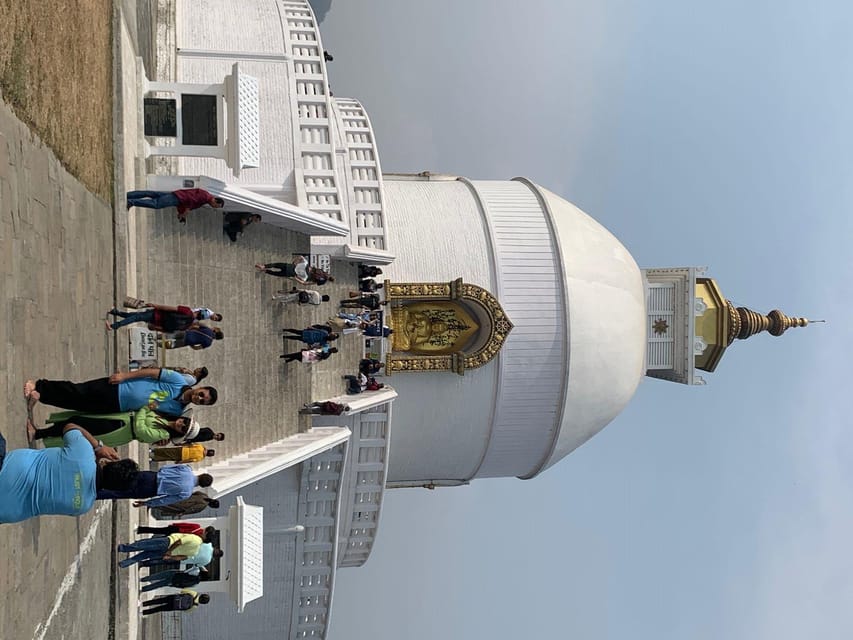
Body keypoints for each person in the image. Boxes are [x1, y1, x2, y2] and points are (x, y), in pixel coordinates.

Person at [0, 399, 134, 523]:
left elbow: (70, 427)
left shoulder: (84, 451)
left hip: (4, 470)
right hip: (6, 511)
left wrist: (98, 446)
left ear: (108, 462)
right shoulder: (83, 506)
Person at [24, 368, 218, 417]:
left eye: (203, 401)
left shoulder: (177, 411)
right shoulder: (177, 380)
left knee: (79, 405)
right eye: (202, 394)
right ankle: (39, 385)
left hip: (120, 406)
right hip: (118, 387)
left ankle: (42, 397)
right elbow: (151, 372)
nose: (199, 398)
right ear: (200, 388)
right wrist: (125, 376)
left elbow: (154, 413)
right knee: (78, 389)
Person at [30, 406, 192, 448]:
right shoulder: (163, 417)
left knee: (77, 425)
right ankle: (42, 432)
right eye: (184, 422)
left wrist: (143, 410)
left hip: (119, 430)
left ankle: (38, 433)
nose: (181, 424)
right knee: (77, 418)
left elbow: (141, 430)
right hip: (117, 419)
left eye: (183, 428)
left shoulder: (164, 435)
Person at [97, 465, 213, 507]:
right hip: (151, 490)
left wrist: (161, 473)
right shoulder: (187, 493)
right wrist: (147, 503)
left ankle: (99, 478)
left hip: (152, 476)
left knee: (123, 477)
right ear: (201, 486)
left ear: (202, 474)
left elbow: (166, 467)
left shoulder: (187, 469)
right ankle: (96, 494)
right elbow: (165, 500)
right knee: (120, 493)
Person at [126, 188, 224, 222]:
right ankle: (131, 201)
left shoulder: (205, 199)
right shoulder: (205, 197)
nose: (214, 207)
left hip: (178, 196)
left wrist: (181, 213)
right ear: (215, 200)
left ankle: (129, 196)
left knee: (151, 194)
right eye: (216, 206)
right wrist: (186, 211)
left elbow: (188, 203)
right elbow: (189, 200)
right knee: (156, 204)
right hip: (177, 198)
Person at [118, 532, 204, 567]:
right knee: (144, 555)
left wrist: (170, 550)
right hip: (167, 554)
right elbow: (181, 558)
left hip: (168, 542)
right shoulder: (195, 552)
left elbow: (179, 542)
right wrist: (169, 557)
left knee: (143, 545)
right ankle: (125, 563)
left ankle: (123, 548)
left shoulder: (194, 538)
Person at [107, 303, 200, 331]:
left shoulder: (187, 311)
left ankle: (114, 326)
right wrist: (155, 328)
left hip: (157, 314)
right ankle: (115, 312)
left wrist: (155, 305)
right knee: (136, 316)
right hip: (157, 322)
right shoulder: (186, 326)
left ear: (198, 311)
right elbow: (168, 330)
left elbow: (169, 307)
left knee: (136, 318)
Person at [150, 492, 219, 518]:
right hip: (182, 506)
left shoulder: (204, 495)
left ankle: (152, 501)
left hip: (183, 498)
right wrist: (182, 513)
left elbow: (195, 493)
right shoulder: (203, 505)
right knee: (167, 506)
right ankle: (152, 504)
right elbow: (192, 509)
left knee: (167, 500)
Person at [141, 590, 210, 615]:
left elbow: (183, 591)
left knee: (159, 601)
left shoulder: (194, 593)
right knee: (159, 609)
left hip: (174, 598)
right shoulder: (195, 606)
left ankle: (143, 604)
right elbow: (186, 611)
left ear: (202, 595)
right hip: (174, 606)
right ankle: (144, 612)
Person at [151, 443, 215, 464]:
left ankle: (153, 452)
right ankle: (153, 456)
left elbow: (190, 445)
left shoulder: (201, 447)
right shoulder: (200, 458)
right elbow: (190, 460)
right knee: (167, 455)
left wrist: (181, 462)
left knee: (167, 452)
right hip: (181, 453)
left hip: (182, 451)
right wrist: (181, 462)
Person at [137, 521, 204, 536]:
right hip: (177, 536)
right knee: (159, 533)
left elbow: (184, 524)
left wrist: (174, 524)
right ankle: (141, 530)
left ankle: (141, 529)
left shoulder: (197, 526)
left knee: (158, 530)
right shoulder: (199, 536)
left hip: (176, 529)